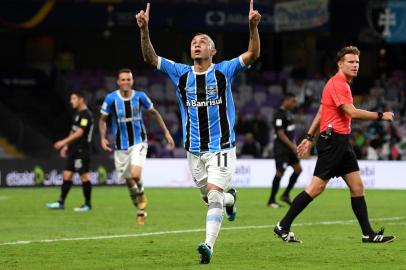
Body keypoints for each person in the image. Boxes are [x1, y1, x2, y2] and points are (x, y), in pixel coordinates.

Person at [135, 0, 261, 264]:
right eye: (194, 41)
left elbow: (252, 55)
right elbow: (150, 58)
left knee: (213, 194)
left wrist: (252, 28)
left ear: (213, 50)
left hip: (221, 147)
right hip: (194, 150)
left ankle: (208, 246)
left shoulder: (224, 70)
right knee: (210, 197)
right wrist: (144, 30)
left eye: (203, 41)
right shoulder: (181, 73)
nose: (197, 44)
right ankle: (231, 199)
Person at [274, 46, 396, 243]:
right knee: (315, 188)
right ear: (340, 64)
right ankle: (283, 225)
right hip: (332, 142)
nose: (355, 65)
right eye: (351, 62)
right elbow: (353, 112)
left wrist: (308, 136)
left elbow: (322, 113)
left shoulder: (335, 83)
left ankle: (368, 234)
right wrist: (381, 115)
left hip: (340, 141)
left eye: (357, 62)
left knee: (357, 187)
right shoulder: (339, 84)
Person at [99, 68, 174, 225]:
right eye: (123, 79)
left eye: (129, 79)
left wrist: (166, 132)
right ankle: (140, 210)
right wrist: (103, 138)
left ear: (132, 81)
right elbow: (102, 120)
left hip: (139, 141)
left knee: (135, 175)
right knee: (128, 181)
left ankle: (141, 193)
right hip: (120, 146)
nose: (126, 82)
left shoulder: (140, 97)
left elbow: (155, 113)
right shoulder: (111, 98)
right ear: (118, 82)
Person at [46, 91, 94, 212]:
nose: (71, 101)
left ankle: (87, 204)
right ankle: (60, 202)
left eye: (73, 98)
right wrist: (66, 146)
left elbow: (80, 132)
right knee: (67, 175)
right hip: (73, 149)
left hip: (82, 150)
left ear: (81, 99)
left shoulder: (87, 115)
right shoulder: (77, 114)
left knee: (84, 176)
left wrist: (62, 142)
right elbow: (73, 131)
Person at [267, 93, 302, 208]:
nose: (294, 103)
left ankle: (286, 194)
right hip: (281, 149)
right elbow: (280, 134)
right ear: (286, 101)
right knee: (280, 172)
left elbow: (290, 133)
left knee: (298, 169)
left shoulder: (289, 114)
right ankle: (271, 200)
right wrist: (293, 147)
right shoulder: (279, 114)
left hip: (290, 148)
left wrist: (295, 146)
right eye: (293, 101)